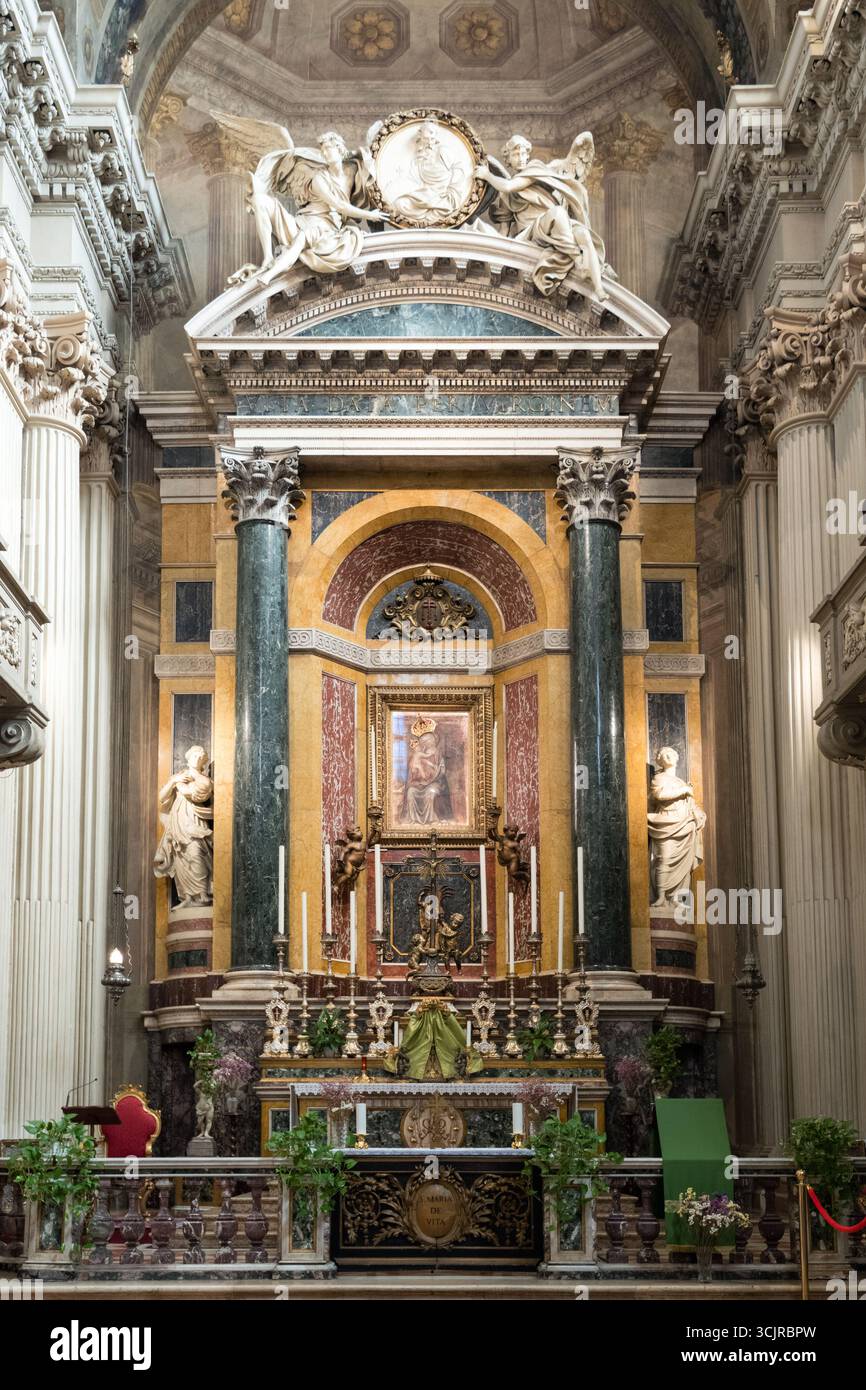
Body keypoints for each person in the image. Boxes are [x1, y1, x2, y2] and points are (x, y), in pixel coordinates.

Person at [476, 132, 607, 299]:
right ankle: (578, 260)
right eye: (516, 154)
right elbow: (504, 231)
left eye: (524, 153)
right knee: (558, 213)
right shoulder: (506, 196)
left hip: (554, 227)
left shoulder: (536, 169)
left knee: (584, 235)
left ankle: (598, 288)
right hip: (531, 234)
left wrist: (487, 175)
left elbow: (509, 185)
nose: (522, 157)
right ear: (508, 159)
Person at [153, 745, 214, 906]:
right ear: (188, 758)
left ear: (203, 762)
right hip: (178, 822)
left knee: (196, 853)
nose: (196, 759)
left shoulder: (204, 780)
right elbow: (161, 797)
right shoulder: (178, 777)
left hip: (195, 821)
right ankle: (187, 897)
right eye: (194, 756)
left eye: (199, 757)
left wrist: (184, 786)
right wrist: (173, 781)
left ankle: (202, 895)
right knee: (181, 857)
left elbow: (200, 793)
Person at [647, 747, 707, 906]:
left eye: (671, 753)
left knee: (684, 864)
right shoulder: (658, 778)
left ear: (676, 757)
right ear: (660, 759)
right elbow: (659, 795)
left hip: (685, 824)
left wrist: (699, 813)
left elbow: (690, 804)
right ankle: (660, 897)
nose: (669, 756)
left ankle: (675, 897)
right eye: (664, 754)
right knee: (664, 859)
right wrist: (684, 790)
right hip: (666, 822)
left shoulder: (681, 781)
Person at [402, 720, 453, 824]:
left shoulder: (438, 754)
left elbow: (441, 772)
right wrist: (417, 778)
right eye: (425, 741)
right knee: (411, 792)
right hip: (419, 785)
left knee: (431, 793)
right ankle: (414, 819)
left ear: (434, 741)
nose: (428, 743)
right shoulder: (417, 755)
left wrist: (432, 777)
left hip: (435, 783)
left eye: (429, 740)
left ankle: (432, 819)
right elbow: (413, 775)